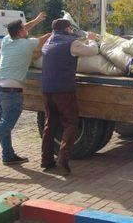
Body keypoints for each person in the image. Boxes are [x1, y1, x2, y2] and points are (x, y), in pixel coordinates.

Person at [0, 12, 51, 165]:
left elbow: (20, 29)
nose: (26, 29)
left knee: (4, 123)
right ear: (20, 32)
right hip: (12, 91)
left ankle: (8, 155)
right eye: (24, 28)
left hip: (0, 88)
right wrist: (54, 32)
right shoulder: (27, 43)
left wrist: (36, 20)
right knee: (7, 124)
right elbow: (43, 40)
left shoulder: (6, 40)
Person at [41, 19, 99, 175]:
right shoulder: (71, 43)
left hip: (47, 89)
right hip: (63, 89)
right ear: (67, 29)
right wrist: (92, 40)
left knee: (50, 123)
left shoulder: (48, 42)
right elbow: (92, 52)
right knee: (71, 122)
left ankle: (46, 160)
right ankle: (63, 157)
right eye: (70, 28)